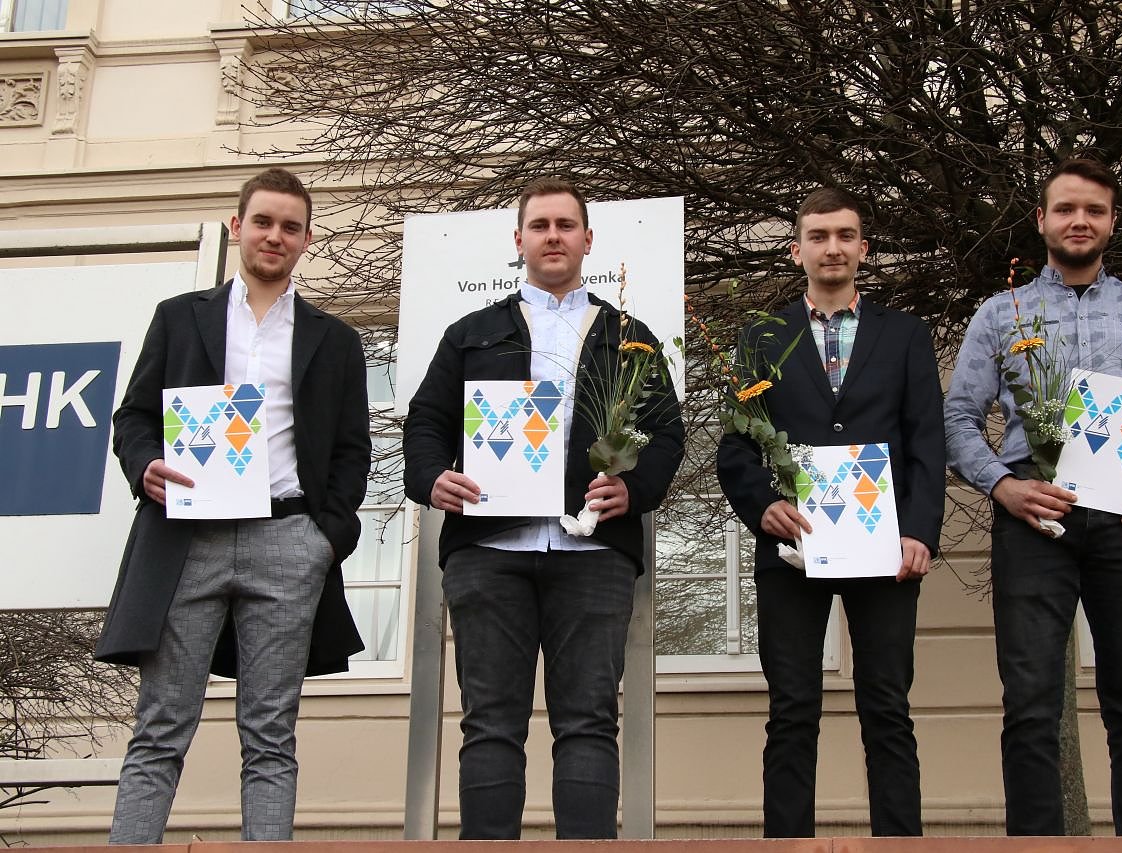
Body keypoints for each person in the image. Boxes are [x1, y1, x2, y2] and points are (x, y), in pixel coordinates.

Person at [403, 176, 684, 839]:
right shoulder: (471, 333)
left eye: (565, 225)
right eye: (540, 225)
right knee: (489, 723)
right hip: (487, 551)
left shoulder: (630, 336)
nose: (553, 236)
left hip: (593, 551)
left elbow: (667, 434)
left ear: (588, 239)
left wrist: (635, 488)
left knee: (588, 722)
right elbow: (425, 423)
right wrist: (432, 478)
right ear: (518, 240)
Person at [96, 167, 371, 843]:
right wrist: (145, 464)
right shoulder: (179, 316)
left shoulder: (336, 339)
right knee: (161, 724)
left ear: (306, 239)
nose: (275, 236)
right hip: (187, 538)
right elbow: (133, 418)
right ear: (237, 226)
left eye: (290, 227)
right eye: (263, 222)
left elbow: (351, 449)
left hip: (288, 540)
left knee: (271, 732)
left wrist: (325, 538)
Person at [944, 157, 1122, 836]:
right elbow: (958, 419)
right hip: (1035, 522)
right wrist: (1003, 486)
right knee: (1030, 706)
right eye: (1066, 209)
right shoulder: (1001, 313)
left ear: (1112, 222)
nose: (1079, 221)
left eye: (1094, 210)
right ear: (1042, 220)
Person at [717, 187, 945, 837]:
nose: (833, 247)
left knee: (888, 708)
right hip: (794, 547)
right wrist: (763, 505)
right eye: (818, 236)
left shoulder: (906, 335)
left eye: (845, 235)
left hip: (884, 549)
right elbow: (735, 445)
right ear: (797, 251)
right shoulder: (762, 337)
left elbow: (927, 442)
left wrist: (919, 532)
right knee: (792, 710)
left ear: (863, 248)